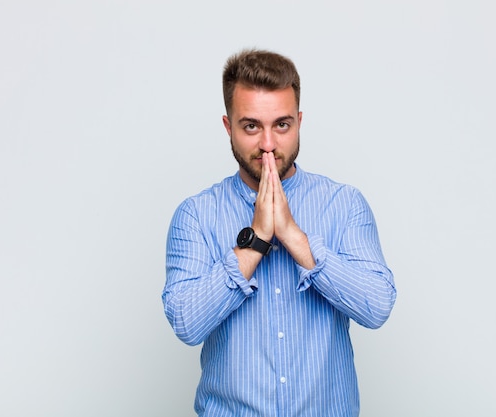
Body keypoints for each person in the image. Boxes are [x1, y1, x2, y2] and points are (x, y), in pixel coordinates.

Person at [162, 48, 396, 417]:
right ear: (229, 126)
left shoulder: (344, 204)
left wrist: (295, 238)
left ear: (299, 122)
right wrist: (255, 240)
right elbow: (187, 324)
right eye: (251, 126)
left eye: (282, 125)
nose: (268, 144)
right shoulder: (196, 215)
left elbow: (377, 307)